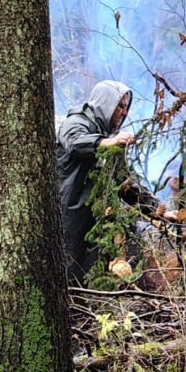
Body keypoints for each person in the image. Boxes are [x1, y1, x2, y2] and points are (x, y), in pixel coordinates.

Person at [56, 79, 153, 282]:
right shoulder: (77, 122)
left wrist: (157, 210)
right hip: (68, 214)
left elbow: (124, 183)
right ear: (106, 102)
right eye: (119, 106)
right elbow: (74, 143)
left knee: (92, 273)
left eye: (126, 108)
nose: (123, 113)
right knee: (68, 272)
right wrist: (105, 142)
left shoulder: (107, 135)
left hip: (92, 219)